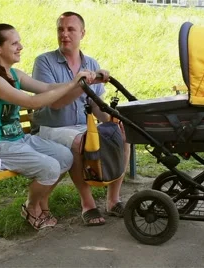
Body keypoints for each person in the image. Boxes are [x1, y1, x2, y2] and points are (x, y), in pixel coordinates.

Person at [0, 23, 107, 230]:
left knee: (65, 156)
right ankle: (31, 206)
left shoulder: (14, 75)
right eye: (15, 43)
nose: (21, 47)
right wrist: (74, 84)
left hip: (17, 140)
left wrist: (82, 81)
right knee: (51, 167)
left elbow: (47, 87)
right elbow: (33, 102)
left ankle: (35, 204)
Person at [31, 12, 130, 226]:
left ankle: (113, 200)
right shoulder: (44, 62)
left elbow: (96, 107)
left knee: (123, 134)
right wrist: (85, 84)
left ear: (82, 33)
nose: (64, 34)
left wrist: (113, 122)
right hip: (51, 127)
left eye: (70, 29)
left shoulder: (90, 62)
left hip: (80, 126)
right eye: (60, 29)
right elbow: (55, 103)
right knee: (79, 142)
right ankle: (88, 204)